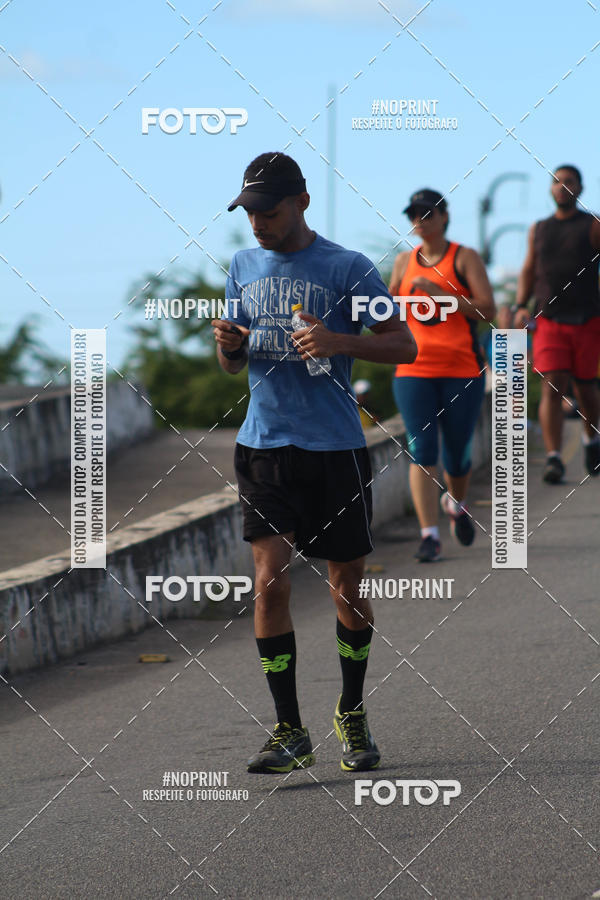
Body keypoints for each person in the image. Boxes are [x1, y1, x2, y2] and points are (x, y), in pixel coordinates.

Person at [212, 152, 417, 774]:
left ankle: (351, 714)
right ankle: (288, 729)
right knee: (268, 579)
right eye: (249, 213)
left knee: (345, 587)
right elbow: (231, 364)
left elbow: (404, 343)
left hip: (334, 449)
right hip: (264, 445)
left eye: (268, 212)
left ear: (301, 201)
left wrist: (337, 341)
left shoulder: (347, 268)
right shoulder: (243, 267)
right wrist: (227, 348)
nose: (258, 226)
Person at [389, 189, 496, 562]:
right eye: (414, 214)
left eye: (428, 213)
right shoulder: (403, 262)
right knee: (422, 450)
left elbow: (487, 311)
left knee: (457, 455)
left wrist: (440, 292)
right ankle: (429, 535)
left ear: (445, 216)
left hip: (461, 370)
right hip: (413, 370)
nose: (420, 220)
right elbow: (387, 313)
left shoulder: (463, 258)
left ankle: (458, 503)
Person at [514, 165, 600, 483]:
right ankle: (554, 458)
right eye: (556, 182)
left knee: (586, 387)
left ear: (580, 188)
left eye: (568, 182)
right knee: (553, 383)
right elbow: (528, 269)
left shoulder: (593, 226)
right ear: (550, 189)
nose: (562, 187)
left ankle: (592, 439)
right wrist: (521, 305)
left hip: (587, 319)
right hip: (549, 319)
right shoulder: (539, 229)